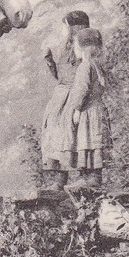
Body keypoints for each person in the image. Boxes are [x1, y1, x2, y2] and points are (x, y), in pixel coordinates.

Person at [38, 10, 92, 190]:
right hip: (60, 97)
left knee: (77, 136)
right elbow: (59, 76)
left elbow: (84, 76)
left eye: (65, 26)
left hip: (75, 95)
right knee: (58, 136)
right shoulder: (64, 49)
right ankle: (59, 179)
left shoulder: (84, 50)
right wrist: (49, 61)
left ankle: (86, 176)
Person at [55, 27, 111, 190]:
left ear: (80, 48)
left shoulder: (85, 67)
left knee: (86, 141)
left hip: (88, 112)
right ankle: (93, 175)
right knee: (95, 142)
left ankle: (89, 177)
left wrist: (76, 109)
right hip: (98, 110)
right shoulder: (98, 65)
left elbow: (81, 89)